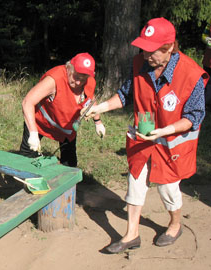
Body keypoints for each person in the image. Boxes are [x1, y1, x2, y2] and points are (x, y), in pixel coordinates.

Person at [82, 17, 208, 253]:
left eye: (152, 51)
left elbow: (195, 116)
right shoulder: (140, 63)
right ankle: (131, 234)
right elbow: (125, 94)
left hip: (171, 144)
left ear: (169, 47)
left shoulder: (192, 75)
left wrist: (165, 130)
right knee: (135, 182)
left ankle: (174, 224)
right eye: (143, 48)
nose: (146, 54)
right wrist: (100, 108)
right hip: (143, 139)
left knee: (168, 189)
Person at [18, 52, 105, 167]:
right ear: (68, 68)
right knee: (27, 157)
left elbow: (90, 99)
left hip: (66, 128)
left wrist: (97, 122)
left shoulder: (89, 81)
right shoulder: (55, 79)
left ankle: (65, 184)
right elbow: (27, 102)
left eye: (83, 79)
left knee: (70, 164)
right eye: (76, 77)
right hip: (40, 122)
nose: (79, 82)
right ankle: (27, 182)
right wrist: (33, 133)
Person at [202, 20, 211, 109]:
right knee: (207, 82)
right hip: (208, 60)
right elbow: (204, 35)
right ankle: (206, 104)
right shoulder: (210, 22)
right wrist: (208, 40)